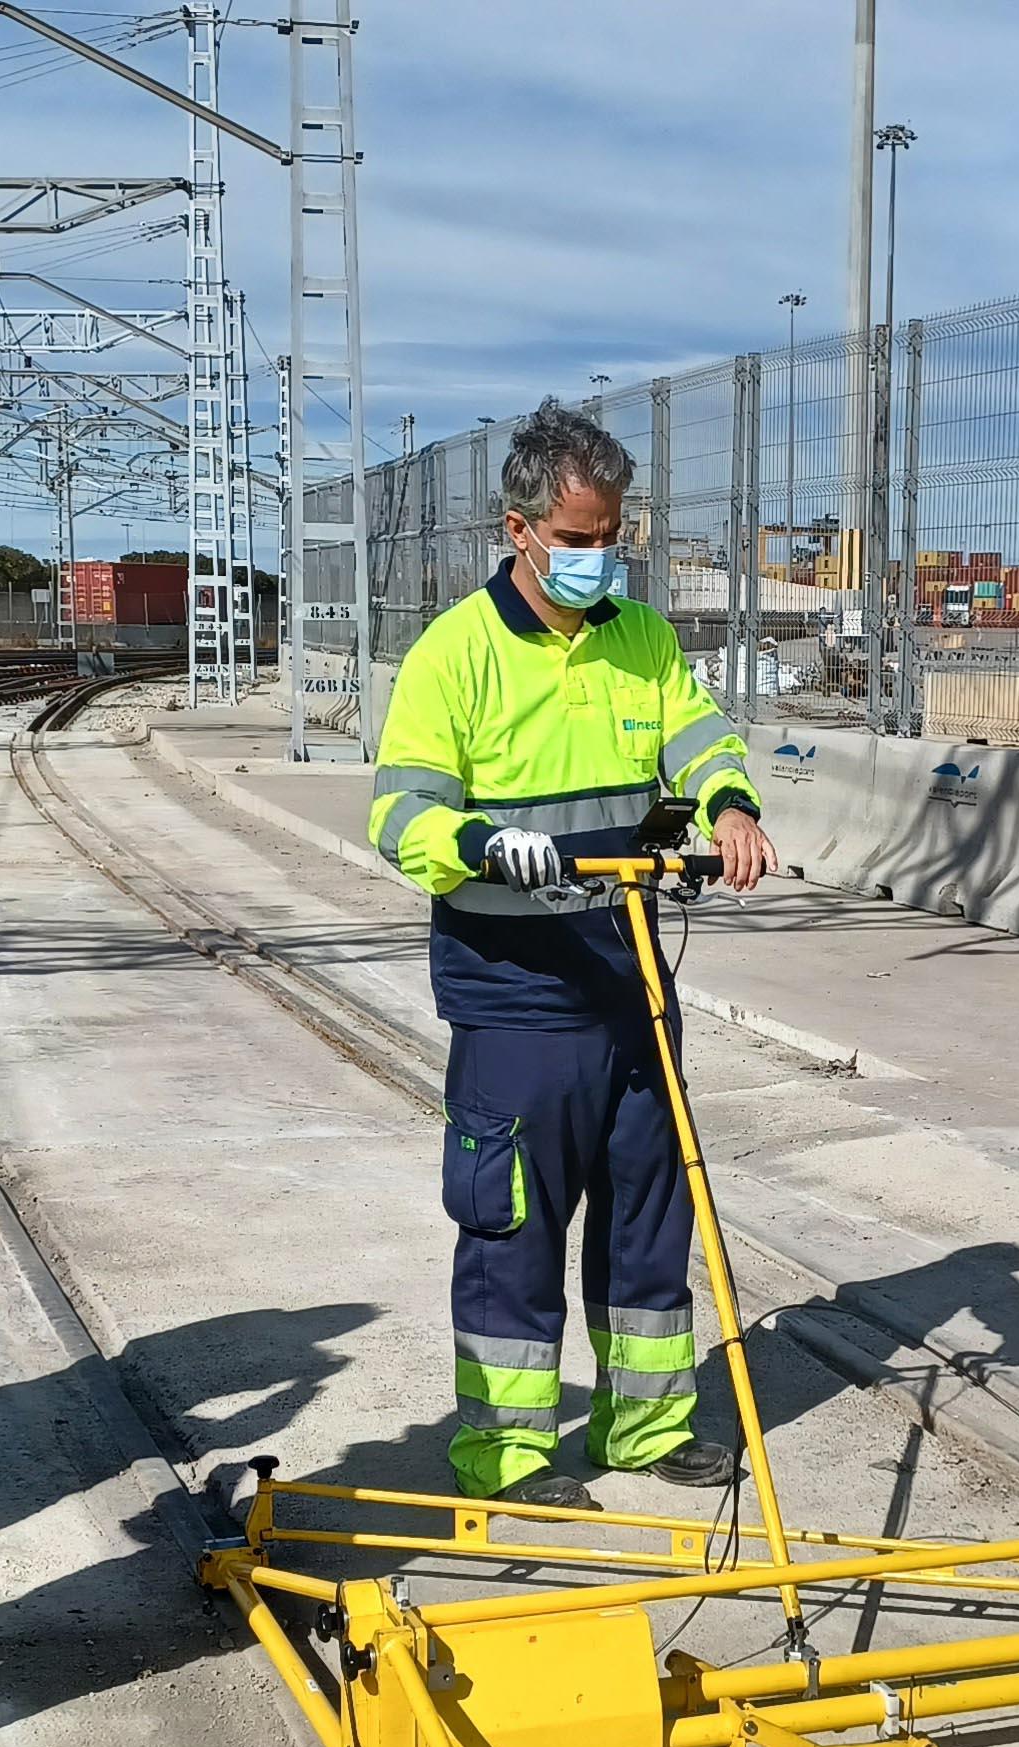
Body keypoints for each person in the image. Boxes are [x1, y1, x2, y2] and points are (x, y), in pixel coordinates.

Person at [367, 404, 776, 1510]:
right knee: (513, 1229)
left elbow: (696, 735)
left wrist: (728, 803)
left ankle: (642, 1427)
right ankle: (508, 1455)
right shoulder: (454, 655)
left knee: (649, 1211)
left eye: (615, 534)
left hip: (633, 977)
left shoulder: (639, 639)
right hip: (517, 998)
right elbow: (400, 814)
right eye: (583, 536)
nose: (604, 556)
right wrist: (479, 845)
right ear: (522, 529)